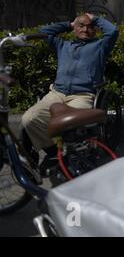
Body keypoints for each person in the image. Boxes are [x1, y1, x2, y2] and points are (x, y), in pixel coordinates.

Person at [21, 13, 119, 172]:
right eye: (81, 25)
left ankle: (74, 154)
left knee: (73, 124)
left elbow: (113, 31)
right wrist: (68, 24)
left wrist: (94, 18)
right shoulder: (62, 45)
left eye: (90, 27)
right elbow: (44, 31)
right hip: (57, 93)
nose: (86, 29)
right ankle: (53, 151)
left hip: (83, 95)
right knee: (29, 119)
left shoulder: (101, 46)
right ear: (75, 28)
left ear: (94, 30)